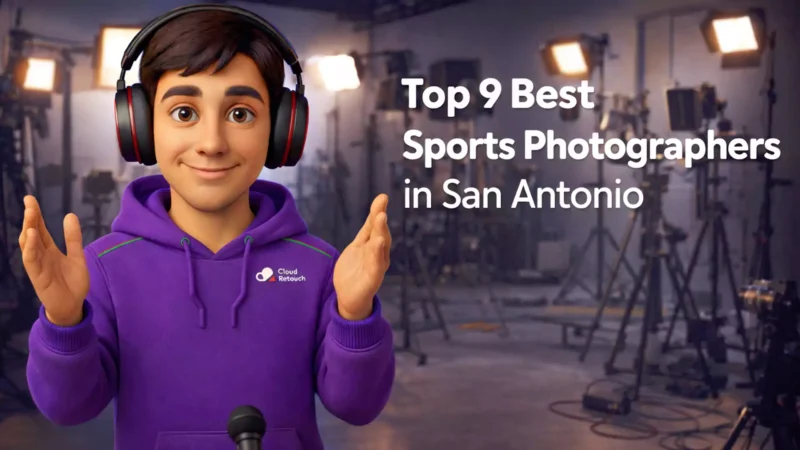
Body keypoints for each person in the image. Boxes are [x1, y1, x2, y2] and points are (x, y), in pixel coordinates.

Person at [19, 5, 395, 450]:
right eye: (184, 112)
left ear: (281, 131)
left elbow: (356, 406)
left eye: (240, 114)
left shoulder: (318, 266)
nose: (212, 143)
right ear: (140, 127)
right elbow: (68, 408)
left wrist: (355, 314)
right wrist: (64, 323)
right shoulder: (102, 268)